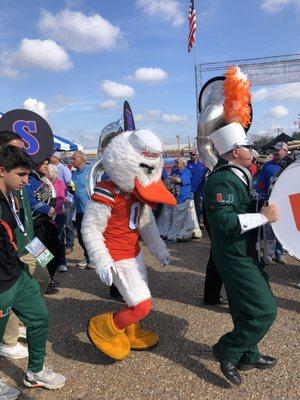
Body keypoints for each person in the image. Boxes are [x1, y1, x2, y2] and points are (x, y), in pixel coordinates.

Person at [204, 122, 278, 385]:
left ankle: (249, 354)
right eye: (247, 145)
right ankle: (229, 349)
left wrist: (261, 206)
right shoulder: (221, 178)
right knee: (265, 310)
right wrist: (261, 216)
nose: (252, 149)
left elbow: (239, 207)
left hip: (243, 250)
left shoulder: (237, 173)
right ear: (235, 151)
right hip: (235, 254)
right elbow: (223, 222)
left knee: (243, 307)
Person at [0, 146, 65, 397]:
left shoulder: (18, 190)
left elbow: (25, 219)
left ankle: (35, 372)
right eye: (21, 174)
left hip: (23, 257)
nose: (27, 180)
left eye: (29, 173)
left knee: (40, 312)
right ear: (2, 170)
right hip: (6, 275)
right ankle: (10, 338)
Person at [0, 131, 50, 361]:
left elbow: (31, 206)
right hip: (17, 247)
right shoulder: (11, 178)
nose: (23, 152)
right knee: (13, 287)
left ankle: (22, 316)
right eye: (17, 148)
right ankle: (9, 341)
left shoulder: (22, 180)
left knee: (44, 277)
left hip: (32, 241)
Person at [25, 159, 64, 294]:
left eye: (48, 164)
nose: (47, 166)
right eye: (44, 164)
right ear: (36, 164)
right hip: (35, 224)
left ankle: (49, 278)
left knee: (57, 250)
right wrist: (46, 208)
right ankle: (45, 283)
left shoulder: (42, 179)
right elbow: (29, 199)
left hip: (46, 222)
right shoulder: (29, 178)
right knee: (42, 256)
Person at [256, 142, 288, 264]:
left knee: (283, 229)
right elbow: (261, 183)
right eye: (274, 150)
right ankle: (268, 255)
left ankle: (280, 254)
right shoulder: (267, 166)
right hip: (270, 203)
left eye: (278, 150)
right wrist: (262, 197)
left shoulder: (289, 166)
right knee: (269, 230)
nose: (275, 152)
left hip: (286, 204)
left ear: (285, 151)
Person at [71, 151, 94, 269]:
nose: (72, 161)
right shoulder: (74, 174)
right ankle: (88, 257)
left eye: (74, 158)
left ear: (81, 159)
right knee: (80, 237)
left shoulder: (90, 171)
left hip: (90, 210)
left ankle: (94, 259)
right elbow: (73, 189)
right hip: (79, 210)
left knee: (90, 236)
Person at [50, 152, 74, 255]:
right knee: (59, 224)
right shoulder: (51, 167)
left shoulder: (63, 168)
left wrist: (67, 197)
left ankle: (69, 244)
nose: (50, 157)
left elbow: (69, 183)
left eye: (52, 156)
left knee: (68, 224)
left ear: (57, 158)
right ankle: (60, 245)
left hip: (66, 200)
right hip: (56, 201)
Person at [165, 158, 192, 244]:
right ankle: (167, 234)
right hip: (174, 198)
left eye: (177, 162)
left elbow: (178, 180)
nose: (175, 164)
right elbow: (168, 181)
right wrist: (171, 178)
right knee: (168, 217)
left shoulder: (186, 172)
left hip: (182, 199)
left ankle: (171, 237)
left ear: (183, 164)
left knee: (177, 219)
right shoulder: (175, 171)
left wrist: (170, 177)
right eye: (175, 162)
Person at [48, 164, 67, 272]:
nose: (49, 176)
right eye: (48, 174)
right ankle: (49, 264)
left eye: (51, 174)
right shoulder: (44, 183)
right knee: (47, 239)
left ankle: (62, 262)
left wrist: (53, 209)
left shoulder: (60, 182)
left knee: (59, 239)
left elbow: (61, 198)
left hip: (58, 214)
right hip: (47, 215)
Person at [187, 151, 208, 224]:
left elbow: (204, 177)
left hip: (199, 189)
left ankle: (198, 222)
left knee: (198, 206)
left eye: (193, 154)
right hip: (190, 189)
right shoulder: (187, 164)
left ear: (197, 155)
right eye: (191, 154)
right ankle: (190, 223)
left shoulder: (202, 166)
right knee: (189, 206)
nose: (192, 156)